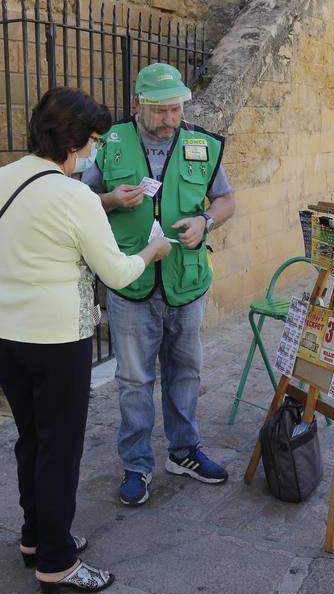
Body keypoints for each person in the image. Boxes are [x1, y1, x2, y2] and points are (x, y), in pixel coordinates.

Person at [0, 87, 170, 594]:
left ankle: (35, 537)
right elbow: (119, 272)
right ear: (74, 141)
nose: (92, 151)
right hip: (57, 338)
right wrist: (152, 251)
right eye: (91, 142)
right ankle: (57, 562)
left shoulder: (0, 179)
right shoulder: (73, 195)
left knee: (32, 439)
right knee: (60, 450)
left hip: (7, 334)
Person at [82, 63, 235, 506]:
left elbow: (226, 201)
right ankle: (136, 464)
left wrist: (205, 222)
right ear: (138, 105)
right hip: (130, 283)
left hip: (186, 282)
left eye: (176, 110)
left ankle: (184, 451)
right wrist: (109, 199)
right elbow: (78, 202)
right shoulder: (108, 144)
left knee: (185, 371)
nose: (171, 119)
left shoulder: (201, 144)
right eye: (162, 111)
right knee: (133, 379)